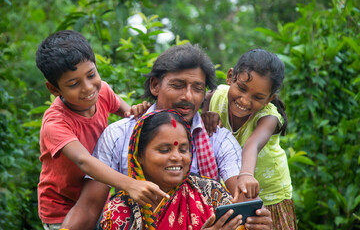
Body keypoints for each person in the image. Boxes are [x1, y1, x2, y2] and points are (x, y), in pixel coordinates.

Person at [61, 43, 245, 229]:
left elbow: (242, 204)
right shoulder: (120, 135)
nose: (188, 96)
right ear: (155, 85)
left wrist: (256, 219)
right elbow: (89, 207)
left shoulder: (218, 139)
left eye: (198, 88)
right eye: (178, 85)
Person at [36, 30, 152, 229]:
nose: (88, 88)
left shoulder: (103, 91)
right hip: (62, 211)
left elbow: (130, 117)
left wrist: (137, 111)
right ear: (54, 89)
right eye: (74, 84)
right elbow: (85, 161)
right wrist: (130, 184)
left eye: (91, 75)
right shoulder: (55, 123)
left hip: (96, 199)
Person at [99, 109, 272, 230]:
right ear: (139, 156)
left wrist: (258, 226)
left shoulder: (210, 192)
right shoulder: (120, 211)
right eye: (164, 150)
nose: (177, 157)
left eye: (183, 149)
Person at [202, 48, 297, 229]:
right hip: (235, 188)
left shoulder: (268, 117)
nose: (245, 101)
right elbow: (204, 113)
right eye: (242, 88)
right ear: (231, 77)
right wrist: (206, 115)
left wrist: (246, 175)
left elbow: (251, 145)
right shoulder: (216, 95)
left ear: (270, 99)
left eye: (257, 97)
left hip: (270, 194)